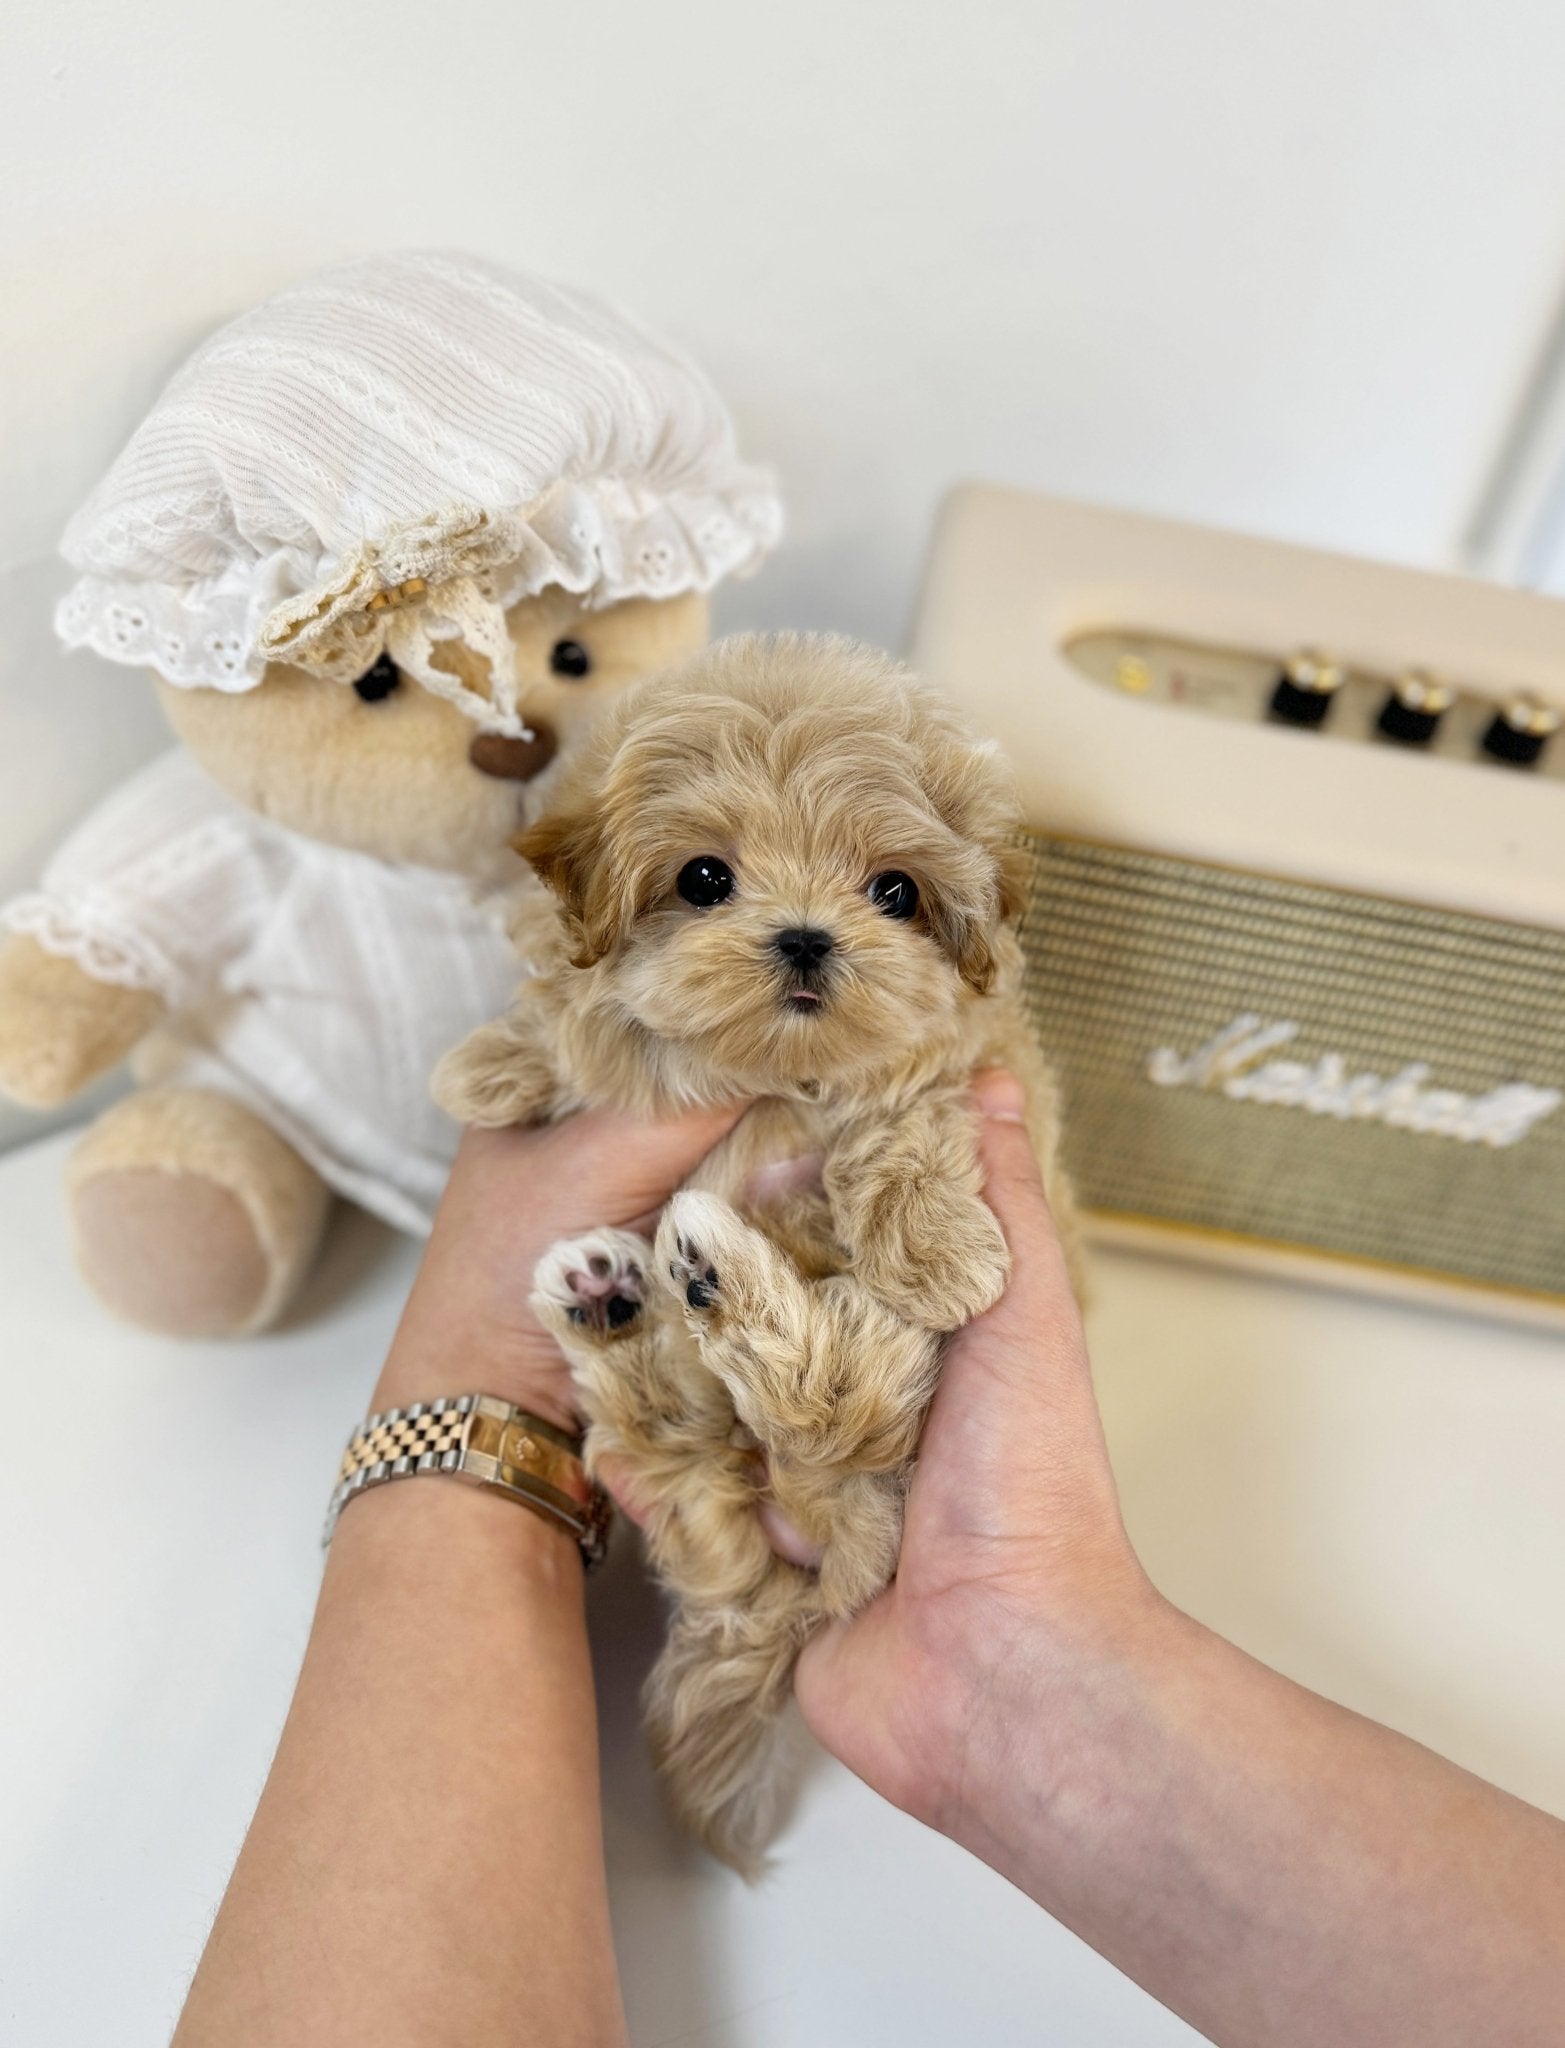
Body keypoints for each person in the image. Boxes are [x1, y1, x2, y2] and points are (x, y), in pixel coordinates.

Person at [171, 1075, 1565, 2048]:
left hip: (824, 1401)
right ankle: (682, 1354)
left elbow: (945, 1253)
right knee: (734, 1439)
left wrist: (471, 1378)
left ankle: (681, 1349)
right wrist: (1011, 1663)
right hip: (841, 1522)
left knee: (830, 1399)